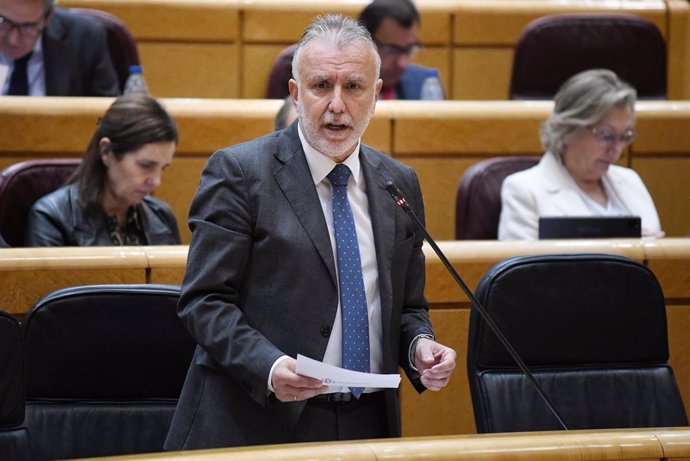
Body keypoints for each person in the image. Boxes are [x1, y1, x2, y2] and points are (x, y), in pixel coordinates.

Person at [166, 14, 456, 450]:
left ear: (376, 95)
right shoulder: (241, 172)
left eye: (354, 87)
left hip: (368, 422)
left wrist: (419, 347)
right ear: (295, 93)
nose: (337, 105)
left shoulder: (399, 182)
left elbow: (408, 305)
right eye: (321, 86)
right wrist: (268, 365)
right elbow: (204, 301)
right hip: (257, 422)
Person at [498, 69, 663, 240]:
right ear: (568, 129)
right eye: (606, 136)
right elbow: (525, 265)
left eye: (624, 137)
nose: (617, 150)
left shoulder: (630, 181)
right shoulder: (524, 191)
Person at [25, 94, 180, 246]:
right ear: (106, 152)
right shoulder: (52, 218)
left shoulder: (162, 217)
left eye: (163, 168)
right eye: (146, 165)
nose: (156, 181)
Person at [266, 0, 444, 100]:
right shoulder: (295, 67)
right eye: (391, 49)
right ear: (366, 39)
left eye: (409, 49)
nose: (402, 63)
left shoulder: (426, 84)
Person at [0, 0, 119, 96]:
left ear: (47, 17)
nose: (13, 39)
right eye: (3, 21)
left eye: (28, 26)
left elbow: (108, 114)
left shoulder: (85, 38)